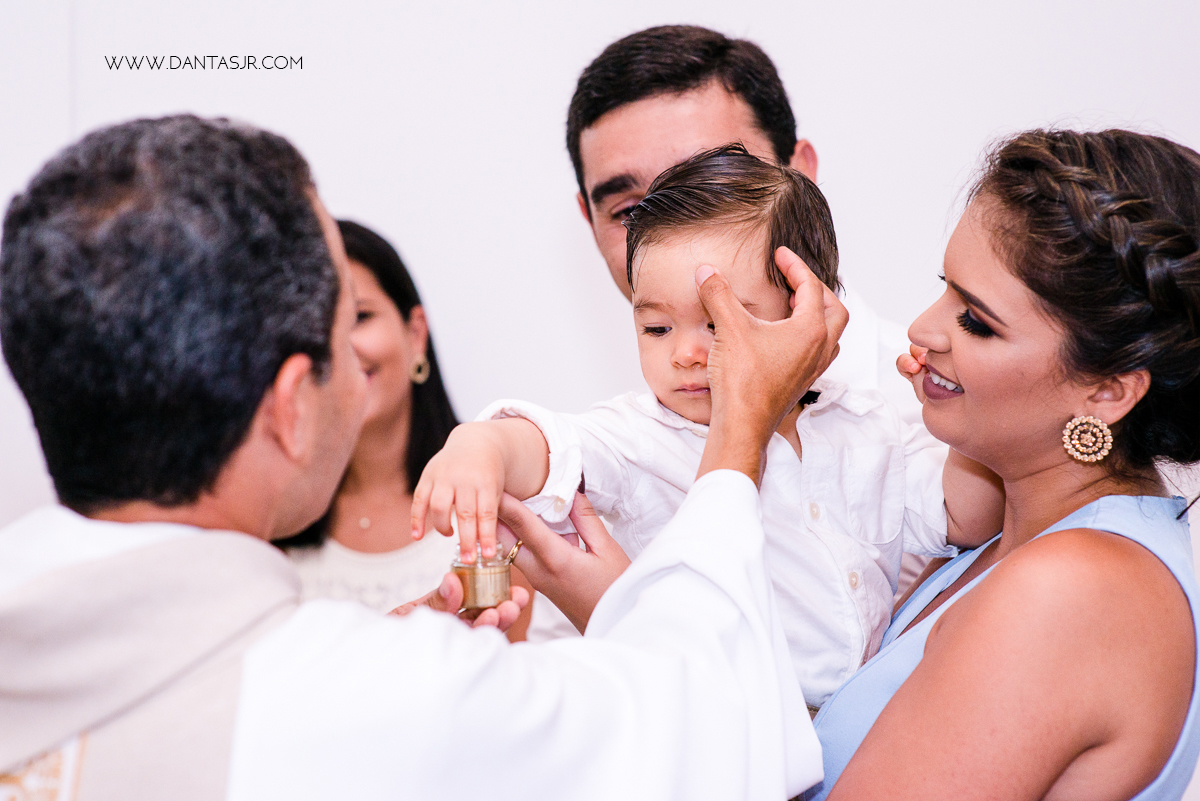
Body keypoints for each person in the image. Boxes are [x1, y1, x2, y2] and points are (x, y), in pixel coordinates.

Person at [0, 114, 839, 799]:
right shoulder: (385, 702)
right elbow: (724, 737)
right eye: (345, 330)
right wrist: (741, 427)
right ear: (293, 406)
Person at [414, 145, 1001, 709]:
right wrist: (483, 446)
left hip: (858, 730)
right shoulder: (643, 436)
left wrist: (956, 397)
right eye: (657, 329)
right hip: (721, 732)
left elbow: (965, 517)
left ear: (808, 312)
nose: (688, 354)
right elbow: (551, 445)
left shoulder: (865, 422)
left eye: (718, 322)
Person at [802, 129, 1200, 799]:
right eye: (945, 290)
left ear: (1107, 391)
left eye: (977, 321)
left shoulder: (1072, 590)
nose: (924, 330)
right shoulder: (1000, 534)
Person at [526, 24, 953, 641]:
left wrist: (633, 626)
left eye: (713, 185)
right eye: (628, 211)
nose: (669, 232)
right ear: (589, 220)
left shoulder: (940, 414)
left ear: (800, 177)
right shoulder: (606, 455)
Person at [275, 220, 462, 611]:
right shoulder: (274, 512)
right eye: (319, 327)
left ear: (415, 334)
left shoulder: (485, 499)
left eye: (359, 317)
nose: (340, 348)